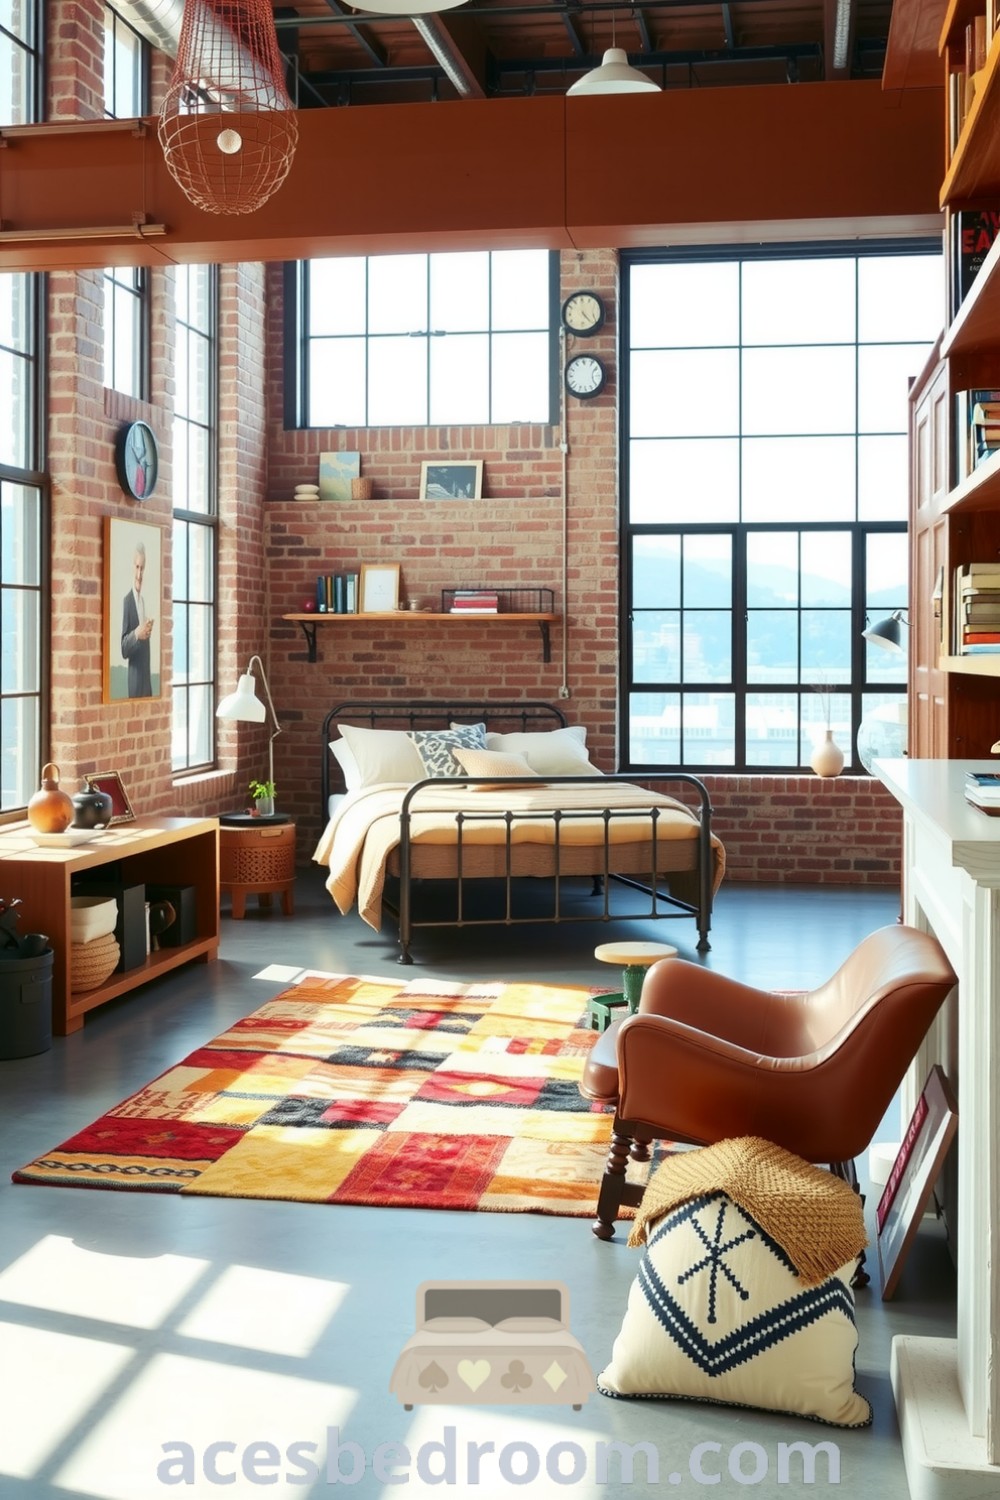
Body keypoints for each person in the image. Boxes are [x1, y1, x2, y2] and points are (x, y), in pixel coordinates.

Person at [121, 541, 154, 697]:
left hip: (146, 680)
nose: (139, 575)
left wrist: (146, 632)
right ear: (132, 567)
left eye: (142, 569)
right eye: (137, 567)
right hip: (134, 681)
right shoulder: (127, 601)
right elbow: (123, 649)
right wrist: (136, 634)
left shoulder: (142, 602)